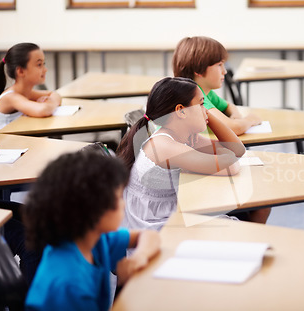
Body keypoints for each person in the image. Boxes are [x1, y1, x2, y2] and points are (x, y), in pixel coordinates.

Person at [116, 77, 270, 229]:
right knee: (241, 221)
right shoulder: (164, 146)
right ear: (181, 111)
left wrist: (205, 116)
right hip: (158, 228)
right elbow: (232, 166)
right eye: (202, 104)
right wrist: (223, 153)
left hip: (173, 214)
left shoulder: (183, 136)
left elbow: (237, 150)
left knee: (260, 206)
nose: (207, 110)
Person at [23, 151, 160, 311]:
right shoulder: (69, 284)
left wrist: (139, 257)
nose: (123, 204)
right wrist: (128, 289)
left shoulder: (93, 240)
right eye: (118, 198)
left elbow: (148, 235)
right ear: (92, 209)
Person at [172, 36, 262, 135]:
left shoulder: (204, 92)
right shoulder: (193, 97)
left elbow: (228, 106)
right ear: (199, 69)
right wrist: (250, 120)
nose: (224, 71)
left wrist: (235, 116)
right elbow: (232, 129)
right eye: (219, 65)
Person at [0, 42, 61, 132]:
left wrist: (49, 102)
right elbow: (43, 110)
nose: (45, 69)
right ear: (21, 71)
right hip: (6, 145)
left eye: (43, 64)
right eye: (39, 65)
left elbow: (54, 94)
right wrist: (49, 103)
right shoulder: (10, 97)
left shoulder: (27, 92)